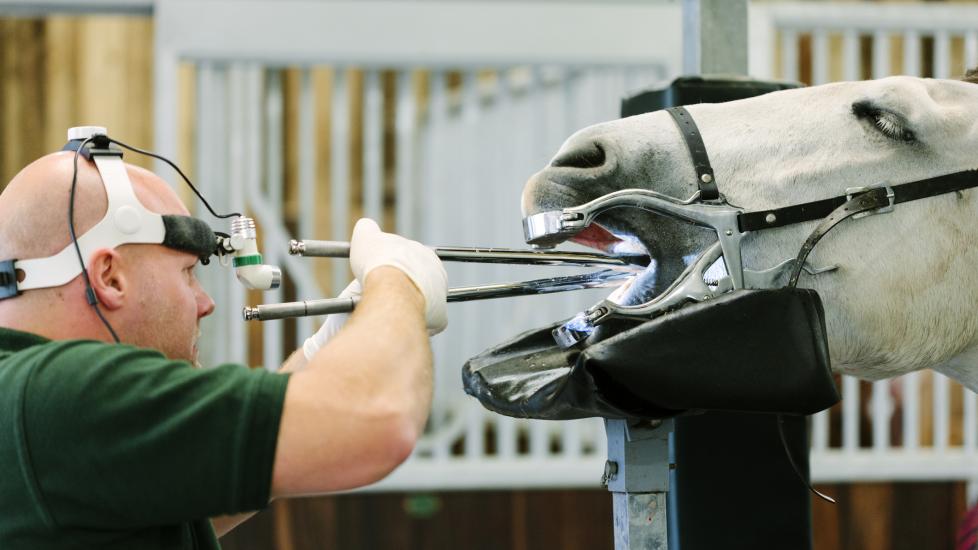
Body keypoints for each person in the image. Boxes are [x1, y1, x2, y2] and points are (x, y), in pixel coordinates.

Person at [0, 151, 448, 549]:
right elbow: (378, 418)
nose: (205, 302)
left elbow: (188, 512)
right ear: (110, 277)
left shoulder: (27, 405)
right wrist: (397, 281)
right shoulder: (61, 395)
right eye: (188, 272)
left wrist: (324, 348)